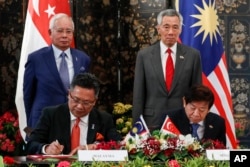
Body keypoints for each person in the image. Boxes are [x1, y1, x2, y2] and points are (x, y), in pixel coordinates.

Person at [132, 9, 202, 130]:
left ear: (180, 30)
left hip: (181, 122)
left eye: (175, 27)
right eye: (166, 27)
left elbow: (196, 93)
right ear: (158, 29)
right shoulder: (144, 56)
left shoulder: (193, 55)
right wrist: (137, 128)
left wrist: (195, 123)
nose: (171, 32)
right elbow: (138, 95)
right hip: (152, 121)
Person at [23, 13, 91, 130]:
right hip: (43, 120)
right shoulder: (36, 59)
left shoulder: (83, 59)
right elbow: (28, 95)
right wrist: (30, 121)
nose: (64, 35)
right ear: (50, 33)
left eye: (68, 31)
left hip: (73, 121)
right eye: (60, 31)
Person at [26, 73, 122, 155]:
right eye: (75, 100)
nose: (79, 106)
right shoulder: (51, 114)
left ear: (94, 101)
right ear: (69, 94)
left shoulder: (104, 119)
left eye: (86, 102)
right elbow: (31, 144)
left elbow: (119, 145)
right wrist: (46, 148)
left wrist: (94, 147)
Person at [162, 84, 226, 146]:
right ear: (184, 102)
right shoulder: (170, 119)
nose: (196, 114)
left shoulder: (218, 123)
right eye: (192, 108)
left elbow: (221, 151)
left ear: (209, 109)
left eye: (202, 110)